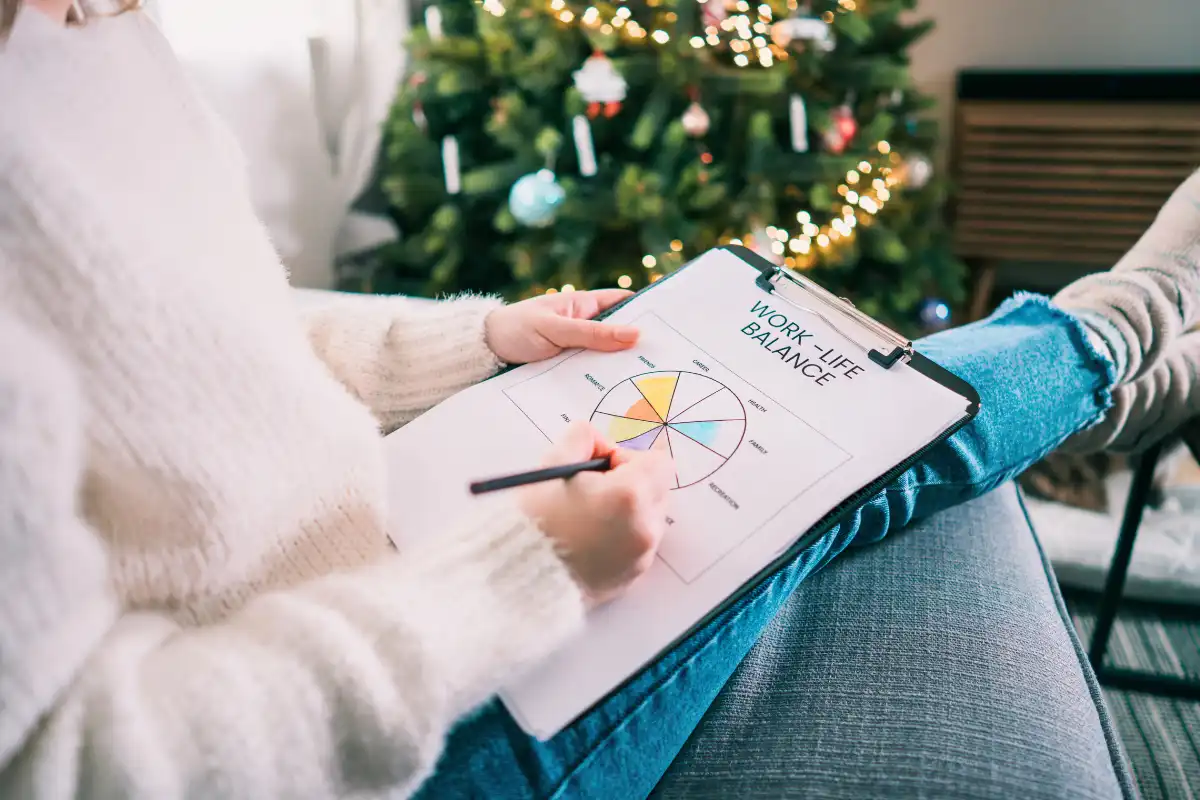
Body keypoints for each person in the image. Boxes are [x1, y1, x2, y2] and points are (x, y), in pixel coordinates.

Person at [0, 1, 1196, 797]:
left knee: (821, 427)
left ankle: (1117, 348)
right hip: (375, 724)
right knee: (843, 480)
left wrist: (474, 335)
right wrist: (526, 571)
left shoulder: (89, 31)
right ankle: (1123, 335)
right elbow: (82, 765)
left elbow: (211, 328)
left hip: (369, 547)